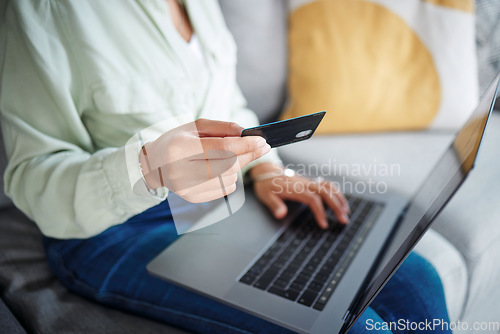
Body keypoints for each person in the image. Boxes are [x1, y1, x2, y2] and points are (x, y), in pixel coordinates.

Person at [0, 0, 451, 333]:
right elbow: (33, 175)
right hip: (115, 231)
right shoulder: (42, 11)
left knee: (415, 278)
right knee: (347, 326)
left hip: (223, 200)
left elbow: (228, 104)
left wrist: (268, 171)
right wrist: (149, 169)